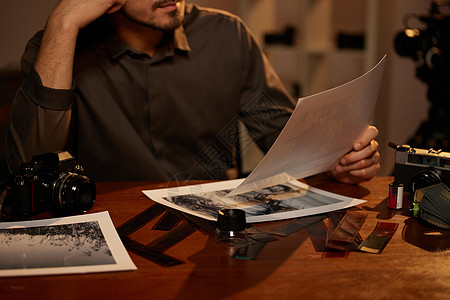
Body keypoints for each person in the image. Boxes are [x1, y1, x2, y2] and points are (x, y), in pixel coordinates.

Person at [6, 0, 380, 184]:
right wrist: (63, 21)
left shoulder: (227, 35)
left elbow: (286, 137)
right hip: (110, 229)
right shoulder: (58, 45)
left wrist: (336, 160)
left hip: (211, 232)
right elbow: (29, 164)